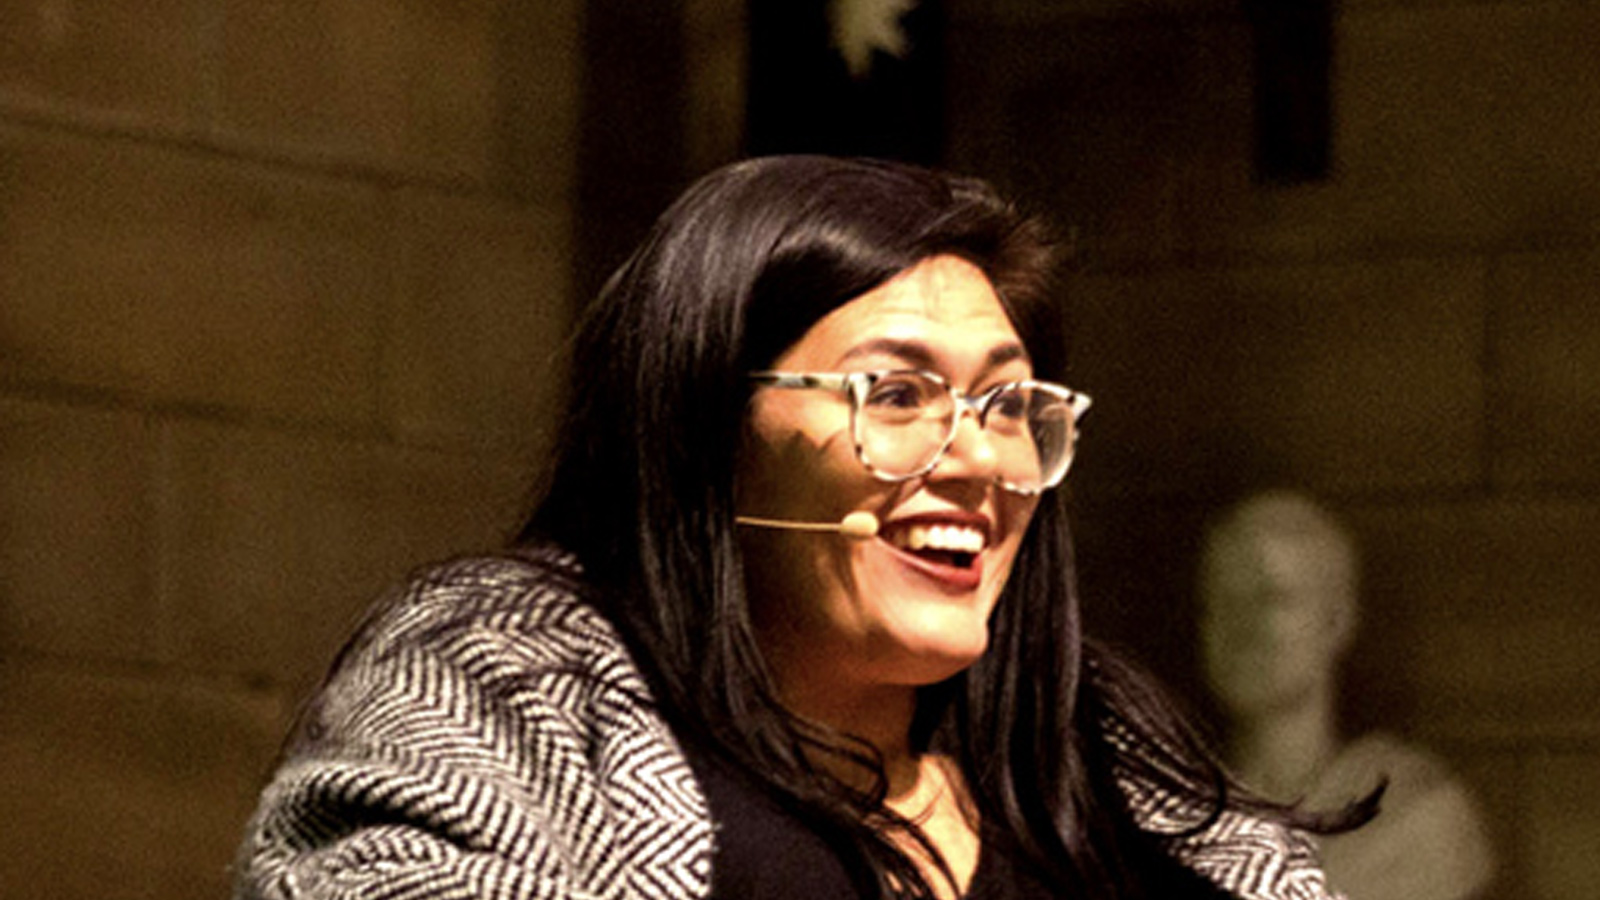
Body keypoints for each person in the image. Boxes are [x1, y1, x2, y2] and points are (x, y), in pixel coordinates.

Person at [234, 156, 1359, 900]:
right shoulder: (506, 692)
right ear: (707, 426)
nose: (975, 460)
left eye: (1010, 406)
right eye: (897, 395)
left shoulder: (1117, 782)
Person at [1198, 489, 1494, 900]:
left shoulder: (1414, 817)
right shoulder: (1163, 816)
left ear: (1335, 621)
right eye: (1224, 600)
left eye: (1271, 598)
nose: (1241, 628)